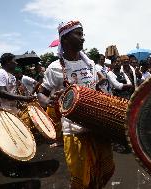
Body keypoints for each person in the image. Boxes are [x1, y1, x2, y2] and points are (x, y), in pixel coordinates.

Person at [37, 20, 114, 189]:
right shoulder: (54, 67)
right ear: (65, 39)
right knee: (81, 181)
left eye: (82, 33)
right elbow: (41, 93)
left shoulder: (90, 64)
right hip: (74, 131)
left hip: (96, 127)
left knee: (105, 170)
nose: (83, 38)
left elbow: (96, 90)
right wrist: (48, 101)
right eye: (78, 34)